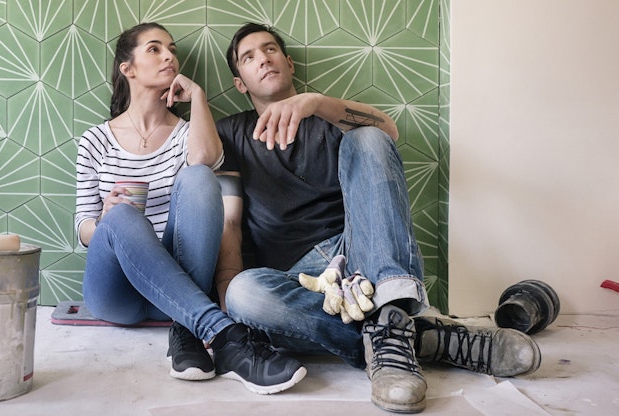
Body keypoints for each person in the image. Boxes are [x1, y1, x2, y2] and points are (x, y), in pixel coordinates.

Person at [213, 23, 542, 413]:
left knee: (367, 136)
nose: (263, 59)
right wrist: (225, 317)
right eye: (249, 57)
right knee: (242, 293)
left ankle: (389, 316)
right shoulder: (230, 133)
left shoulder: (330, 118)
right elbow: (229, 225)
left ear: (289, 63)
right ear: (239, 83)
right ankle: (415, 337)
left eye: (270, 50)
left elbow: (389, 131)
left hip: (360, 258)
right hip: (298, 280)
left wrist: (316, 103)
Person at [73, 22, 306, 395]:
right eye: (154, 49)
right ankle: (223, 334)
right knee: (120, 216)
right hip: (116, 294)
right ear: (127, 68)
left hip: (178, 291)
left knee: (199, 177)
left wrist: (196, 95)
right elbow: (83, 227)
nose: (169, 56)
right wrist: (104, 218)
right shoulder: (94, 141)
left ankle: (189, 328)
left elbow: (204, 160)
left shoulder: (186, 132)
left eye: (172, 49)